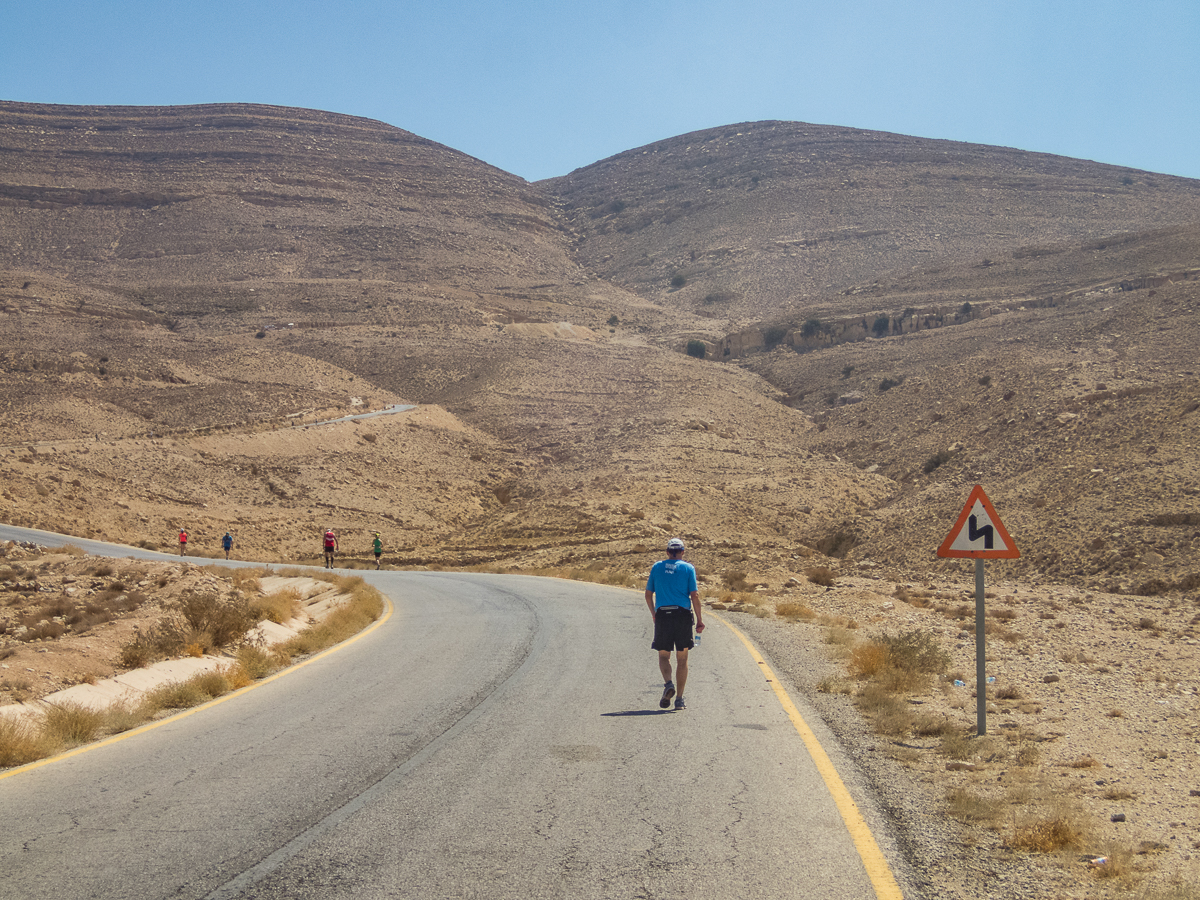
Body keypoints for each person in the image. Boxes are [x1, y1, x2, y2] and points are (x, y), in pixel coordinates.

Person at [645, 537, 704, 710]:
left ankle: (668, 683)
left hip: (663, 615)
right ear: (682, 552)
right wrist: (700, 620)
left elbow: (648, 595)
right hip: (682, 615)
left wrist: (654, 615)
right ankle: (679, 699)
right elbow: (695, 596)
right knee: (682, 658)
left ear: (667, 552)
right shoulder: (688, 568)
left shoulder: (657, 567)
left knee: (664, 655)